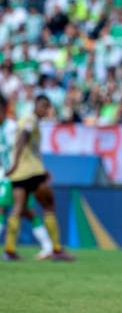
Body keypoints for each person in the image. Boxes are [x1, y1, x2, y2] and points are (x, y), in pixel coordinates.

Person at [3, 95, 72, 261]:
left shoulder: (27, 120)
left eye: (48, 107)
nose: (46, 110)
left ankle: (9, 250)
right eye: (44, 107)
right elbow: (22, 138)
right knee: (48, 204)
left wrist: (15, 166)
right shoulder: (30, 120)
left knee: (18, 208)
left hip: (20, 173)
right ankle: (56, 249)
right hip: (31, 172)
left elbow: (29, 147)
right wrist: (15, 163)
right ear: (36, 105)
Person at [0, 96, 54, 259]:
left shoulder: (11, 127)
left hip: (15, 175)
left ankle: (12, 250)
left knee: (7, 209)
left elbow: (23, 145)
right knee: (26, 211)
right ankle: (48, 246)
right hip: (7, 174)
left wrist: (16, 166)